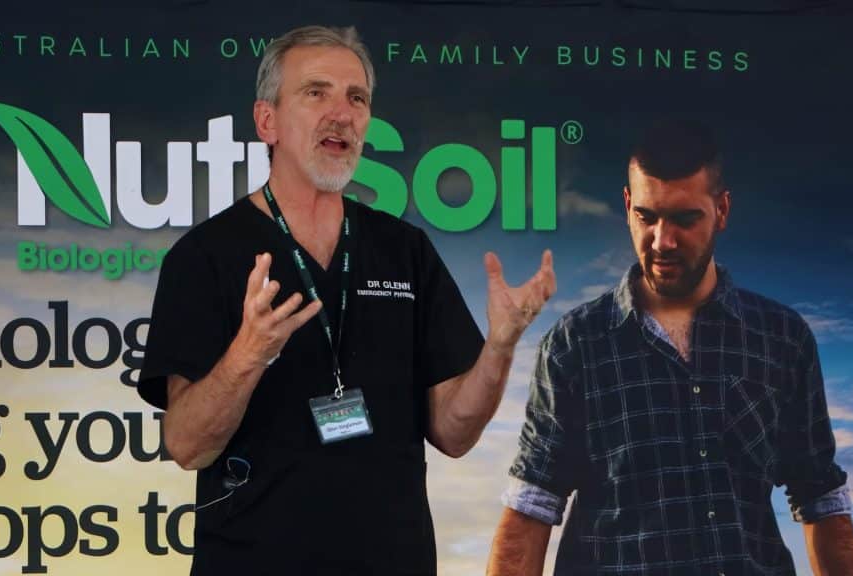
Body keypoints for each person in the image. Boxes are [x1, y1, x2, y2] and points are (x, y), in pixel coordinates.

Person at [138, 25, 556, 575]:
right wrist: (248, 353)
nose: (343, 112)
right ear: (268, 121)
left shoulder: (403, 250)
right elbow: (188, 446)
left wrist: (500, 347)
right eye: (317, 92)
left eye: (356, 97)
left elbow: (454, 433)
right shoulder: (205, 256)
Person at [487, 119, 853, 575]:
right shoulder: (574, 346)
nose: (662, 241)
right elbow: (532, 504)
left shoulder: (782, 338)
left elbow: (820, 497)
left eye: (685, 219)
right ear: (627, 206)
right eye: (646, 217)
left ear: (721, 211)